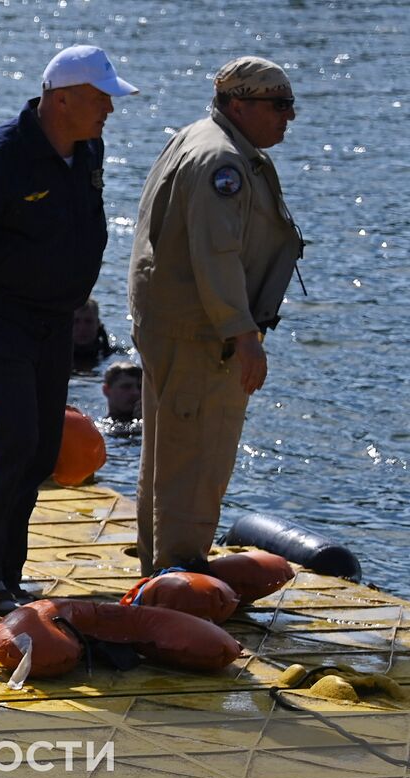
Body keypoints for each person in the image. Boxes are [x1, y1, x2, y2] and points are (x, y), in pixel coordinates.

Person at [0, 45, 137, 616]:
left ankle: (6, 574)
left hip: (54, 324)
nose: (110, 111)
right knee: (10, 439)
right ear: (61, 98)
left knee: (42, 449)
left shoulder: (88, 147)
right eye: (101, 100)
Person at [129, 56, 303, 575]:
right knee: (196, 460)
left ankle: (159, 570)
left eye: (290, 105)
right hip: (202, 334)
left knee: (165, 454)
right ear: (239, 105)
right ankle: (178, 577)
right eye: (278, 105)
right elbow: (217, 254)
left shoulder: (200, 137)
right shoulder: (220, 162)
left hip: (172, 324)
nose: (288, 117)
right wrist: (243, 334)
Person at [72, 297, 115, 371]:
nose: (82, 328)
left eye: (88, 321)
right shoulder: (55, 353)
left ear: (98, 324)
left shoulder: (111, 355)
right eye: (76, 321)